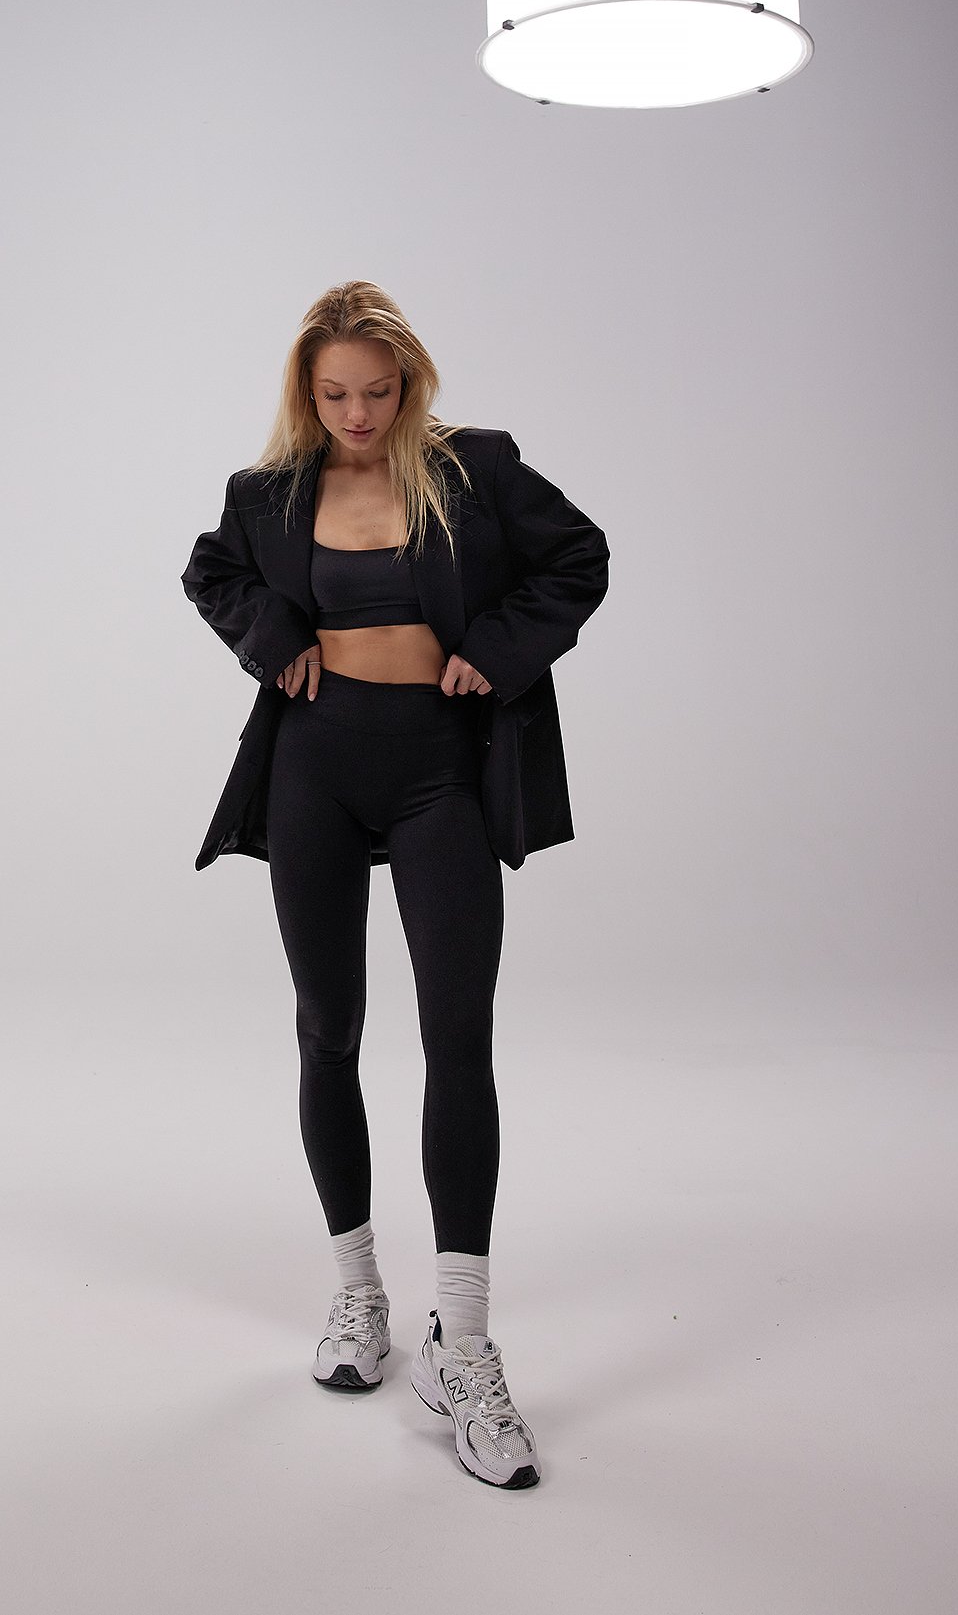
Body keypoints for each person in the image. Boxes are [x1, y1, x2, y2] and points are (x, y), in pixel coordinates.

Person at [180, 282, 609, 1491]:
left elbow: (577, 554)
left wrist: (497, 650)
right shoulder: (267, 494)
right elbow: (209, 572)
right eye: (335, 394)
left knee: (456, 1035)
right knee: (327, 1029)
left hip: (438, 774)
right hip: (314, 770)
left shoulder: (473, 471)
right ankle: (358, 1294)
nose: (358, 415)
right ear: (306, 392)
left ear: (407, 383)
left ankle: (460, 1343)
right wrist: (273, 638)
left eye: (376, 391)